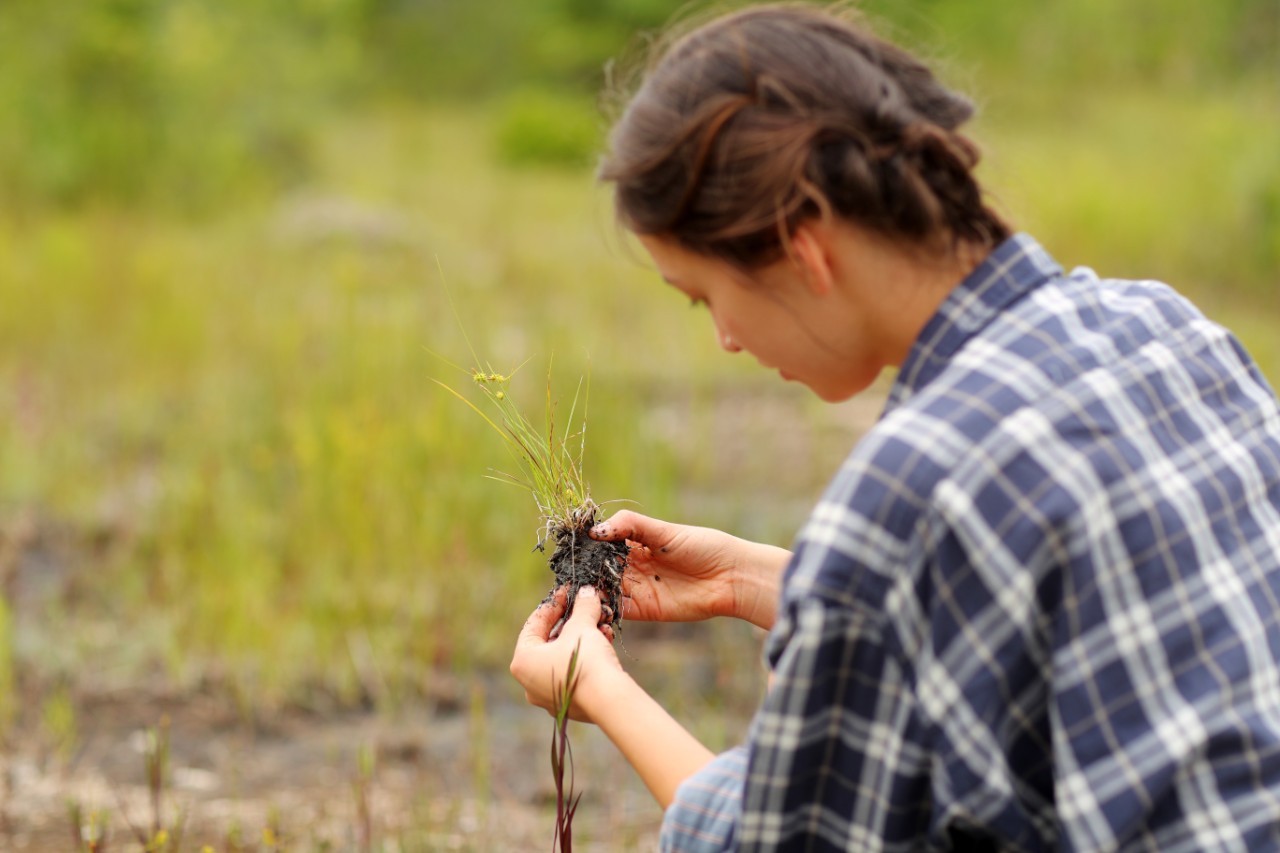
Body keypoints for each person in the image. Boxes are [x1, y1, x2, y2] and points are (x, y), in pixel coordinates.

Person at [509, 4, 1280, 850]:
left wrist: (605, 693)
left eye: (705, 296)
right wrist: (750, 578)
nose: (725, 337)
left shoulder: (908, 487)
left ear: (802, 242)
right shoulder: (1170, 330)